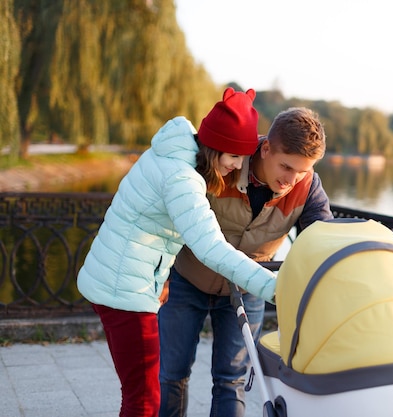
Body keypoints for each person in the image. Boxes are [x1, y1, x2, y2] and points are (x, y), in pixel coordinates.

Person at [77, 87, 276, 417]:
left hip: (115, 280)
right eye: (235, 156)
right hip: (126, 293)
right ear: (215, 148)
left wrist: (161, 277)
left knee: (139, 391)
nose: (239, 165)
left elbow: (153, 229)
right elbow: (211, 248)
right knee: (143, 400)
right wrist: (273, 288)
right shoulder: (181, 179)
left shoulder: (171, 152)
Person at [158, 107, 333, 417]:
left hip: (249, 286)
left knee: (231, 381)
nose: (292, 180)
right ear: (265, 148)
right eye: (286, 166)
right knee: (173, 375)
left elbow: (322, 238)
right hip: (187, 280)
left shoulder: (307, 187)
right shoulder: (223, 161)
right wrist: (160, 273)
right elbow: (172, 215)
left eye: (303, 171)